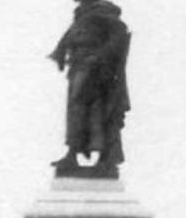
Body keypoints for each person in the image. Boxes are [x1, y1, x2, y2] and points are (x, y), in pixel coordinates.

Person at [48, 0, 131, 178]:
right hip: (78, 67)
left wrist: (99, 58)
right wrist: (60, 52)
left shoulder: (105, 12)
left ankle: (105, 158)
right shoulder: (81, 14)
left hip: (97, 73)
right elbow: (69, 36)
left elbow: (118, 39)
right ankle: (72, 153)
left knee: (98, 113)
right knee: (75, 112)